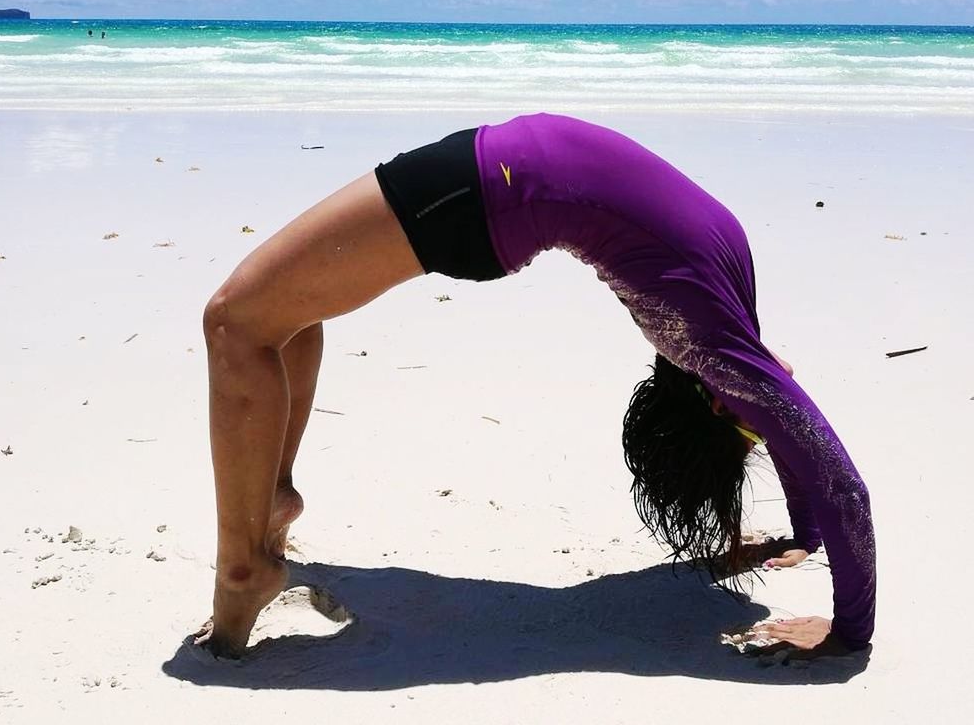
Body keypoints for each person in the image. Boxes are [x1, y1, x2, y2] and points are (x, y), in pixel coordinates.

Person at [197, 113, 875, 659]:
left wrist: (848, 633)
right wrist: (805, 532)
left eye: (751, 420)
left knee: (235, 323)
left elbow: (836, 476)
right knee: (276, 316)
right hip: (493, 177)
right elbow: (799, 439)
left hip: (488, 191)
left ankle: (242, 570)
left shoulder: (711, 340)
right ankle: (273, 493)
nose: (778, 395)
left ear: (716, 404)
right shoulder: (723, 340)